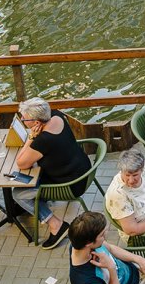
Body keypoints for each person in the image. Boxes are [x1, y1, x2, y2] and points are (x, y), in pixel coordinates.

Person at [13, 97, 92, 249]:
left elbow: (21, 163)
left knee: (18, 194)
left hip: (71, 185)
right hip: (83, 169)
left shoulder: (43, 140)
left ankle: (56, 225)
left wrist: (31, 137)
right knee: (32, 180)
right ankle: (32, 205)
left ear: (37, 122)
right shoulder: (57, 115)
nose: (22, 120)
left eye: (24, 119)